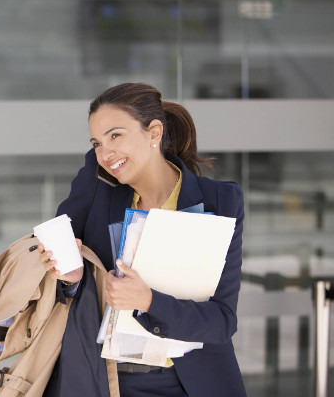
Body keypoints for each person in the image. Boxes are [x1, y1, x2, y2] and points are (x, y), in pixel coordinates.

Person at [38, 83, 247, 396]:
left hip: (192, 382)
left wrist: (148, 301)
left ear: (154, 132)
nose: (105, 153)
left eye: (116, 136)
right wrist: (69, 279)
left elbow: (221, 322)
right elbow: (60, 284)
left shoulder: (221, 201)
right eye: (97, 143)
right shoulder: (96, 186)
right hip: (107, 381)